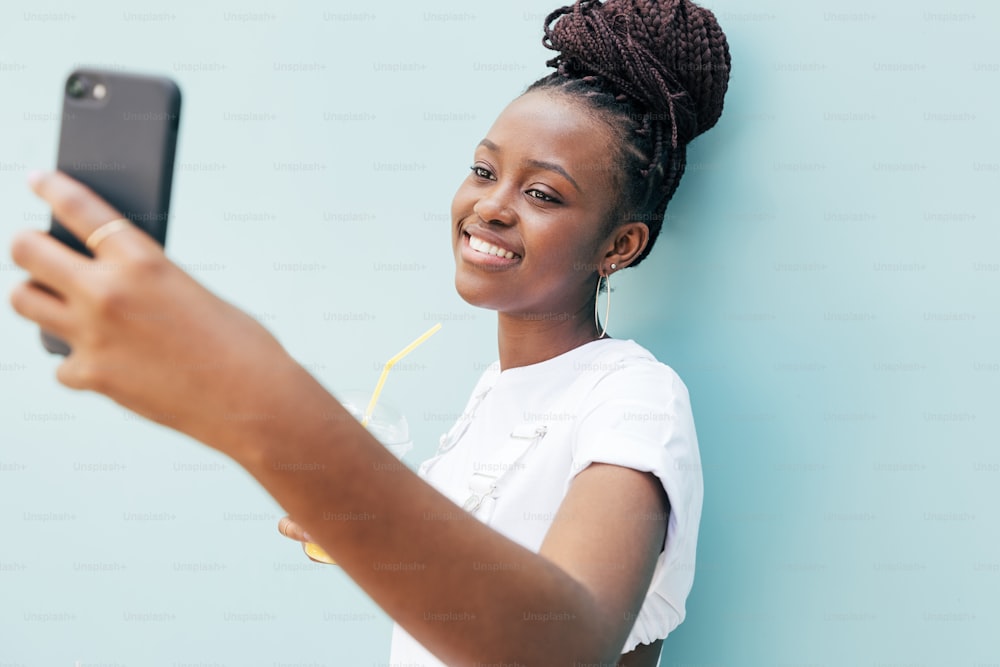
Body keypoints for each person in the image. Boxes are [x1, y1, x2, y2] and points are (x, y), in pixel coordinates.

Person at [7, 0, 730, 664]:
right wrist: (346, 509)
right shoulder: (491, 397)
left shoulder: (634, 397)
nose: (491, 206)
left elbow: (562, 646)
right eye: (483, 170)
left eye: (542, 193)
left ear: (621, 245)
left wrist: (274, 414)